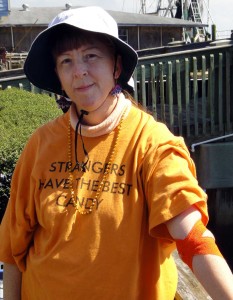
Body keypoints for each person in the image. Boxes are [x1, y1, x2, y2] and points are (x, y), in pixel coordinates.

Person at [0, 6, 232, 300]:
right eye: (66, 61)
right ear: (58, 77)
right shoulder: (40, 144)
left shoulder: (151, 142)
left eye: (91, 56)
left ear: (117, 66)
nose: (79, 71)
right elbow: (13, 246)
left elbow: (192, 236)